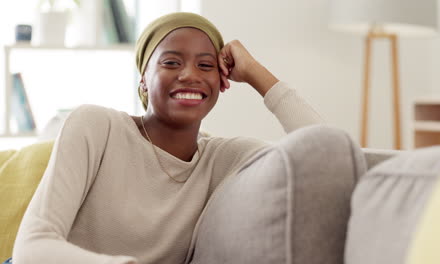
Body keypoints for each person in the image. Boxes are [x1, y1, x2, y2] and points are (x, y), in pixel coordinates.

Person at [12, 12, 324, 264]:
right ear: (143, 81)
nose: (190, 74)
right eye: (171, 62)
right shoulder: (97, 126)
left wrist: (256, 72)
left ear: (222, 81)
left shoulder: (225, 159)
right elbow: (32, 249)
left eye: (205, 65)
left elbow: (326, 155)